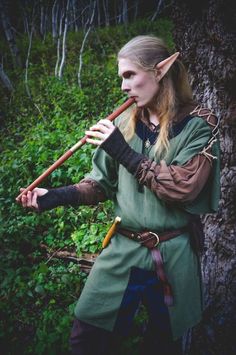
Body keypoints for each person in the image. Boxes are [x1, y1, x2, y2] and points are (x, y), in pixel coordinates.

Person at [18, 35, 220, 355]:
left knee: (163, 343)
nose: (124, 86)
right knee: (87, 340)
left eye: (130, 75)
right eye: (121, 78)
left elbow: (184, 187)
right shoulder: (124, 121)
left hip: (174, 253)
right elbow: (99, 184)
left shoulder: (199, 124)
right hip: (123, 249)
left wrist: (123, 152)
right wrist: (54, 196)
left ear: (161, 71)